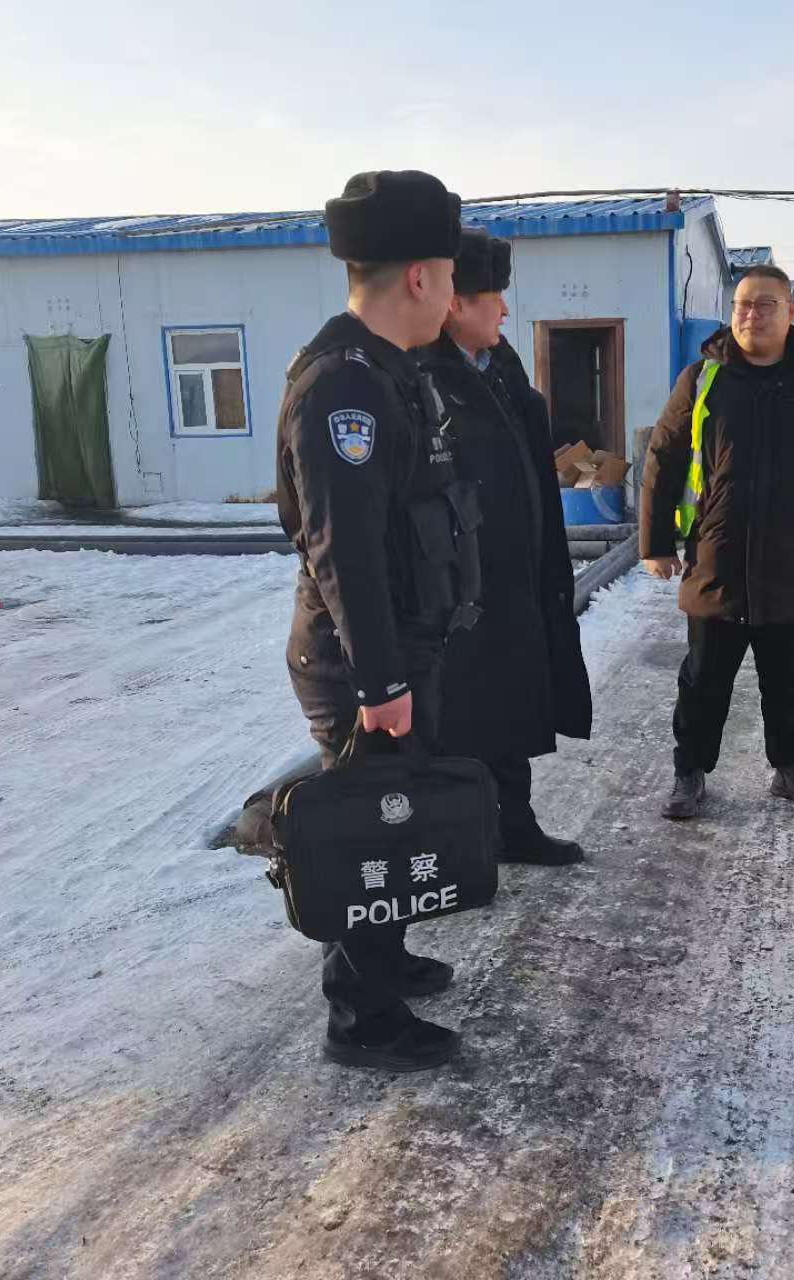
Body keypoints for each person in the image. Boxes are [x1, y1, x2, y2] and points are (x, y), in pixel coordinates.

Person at [275, 169, 477, 1073]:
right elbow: (343, 548)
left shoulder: (390, 369)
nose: (455, 293)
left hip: (397, 643)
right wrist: (381, 680)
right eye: (451, 275)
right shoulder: (344, 386)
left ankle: (385, 960)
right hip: (362, 657)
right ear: (420, 278)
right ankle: (361, 1018)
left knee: (398, 819)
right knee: (367, 820)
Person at [639, 265, 794, 820]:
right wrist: (655, 543)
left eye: (766, 304)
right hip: (715, 560)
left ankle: (791, 768)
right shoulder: (703, 379)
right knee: (703, 681)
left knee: (791, 681)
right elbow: (663, 459)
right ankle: (689, 771)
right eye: (742, 304)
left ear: (791, 312)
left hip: (793, 559)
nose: (751, 314)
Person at [419, 229, 593, 864]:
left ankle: (514, 825)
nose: (505, 310)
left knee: (511, 705)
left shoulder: (500, 368)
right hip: (458, 582)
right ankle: (459, 845)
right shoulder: (422, 377)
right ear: (455, 304)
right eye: (494, 298)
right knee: (460, 718)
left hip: (515, 572)